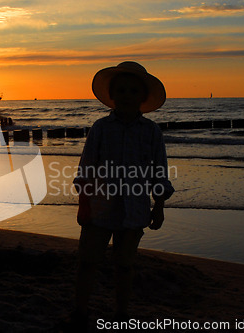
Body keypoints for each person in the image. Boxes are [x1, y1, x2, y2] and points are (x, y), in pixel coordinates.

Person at [67, 61, 175, 331]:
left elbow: (159, 172)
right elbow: (86, 168)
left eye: (133, 90)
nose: (127, 95)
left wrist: (159, 206)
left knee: (125, 265)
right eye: (122, 90)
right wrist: (84, 204)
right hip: (100, 207)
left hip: (135, 209)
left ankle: (121, 314)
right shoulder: (101, 128)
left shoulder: (151, 132)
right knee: (88, 262)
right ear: (112, 96)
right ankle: (80, 312)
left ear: (142, 96)